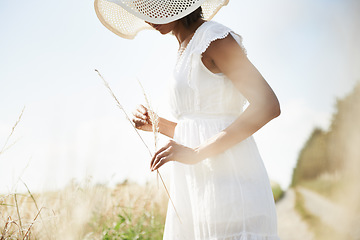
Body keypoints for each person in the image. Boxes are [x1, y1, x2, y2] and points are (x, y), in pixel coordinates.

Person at [95, 1, 281, 239]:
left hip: (230, 177)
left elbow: (267, 105)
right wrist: (156, 124)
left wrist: (198, 153)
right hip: (197, 182)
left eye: (153, 6)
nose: (146, 16)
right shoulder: (185, 47)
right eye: (142, 9)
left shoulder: (214, 38)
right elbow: (198, 127)